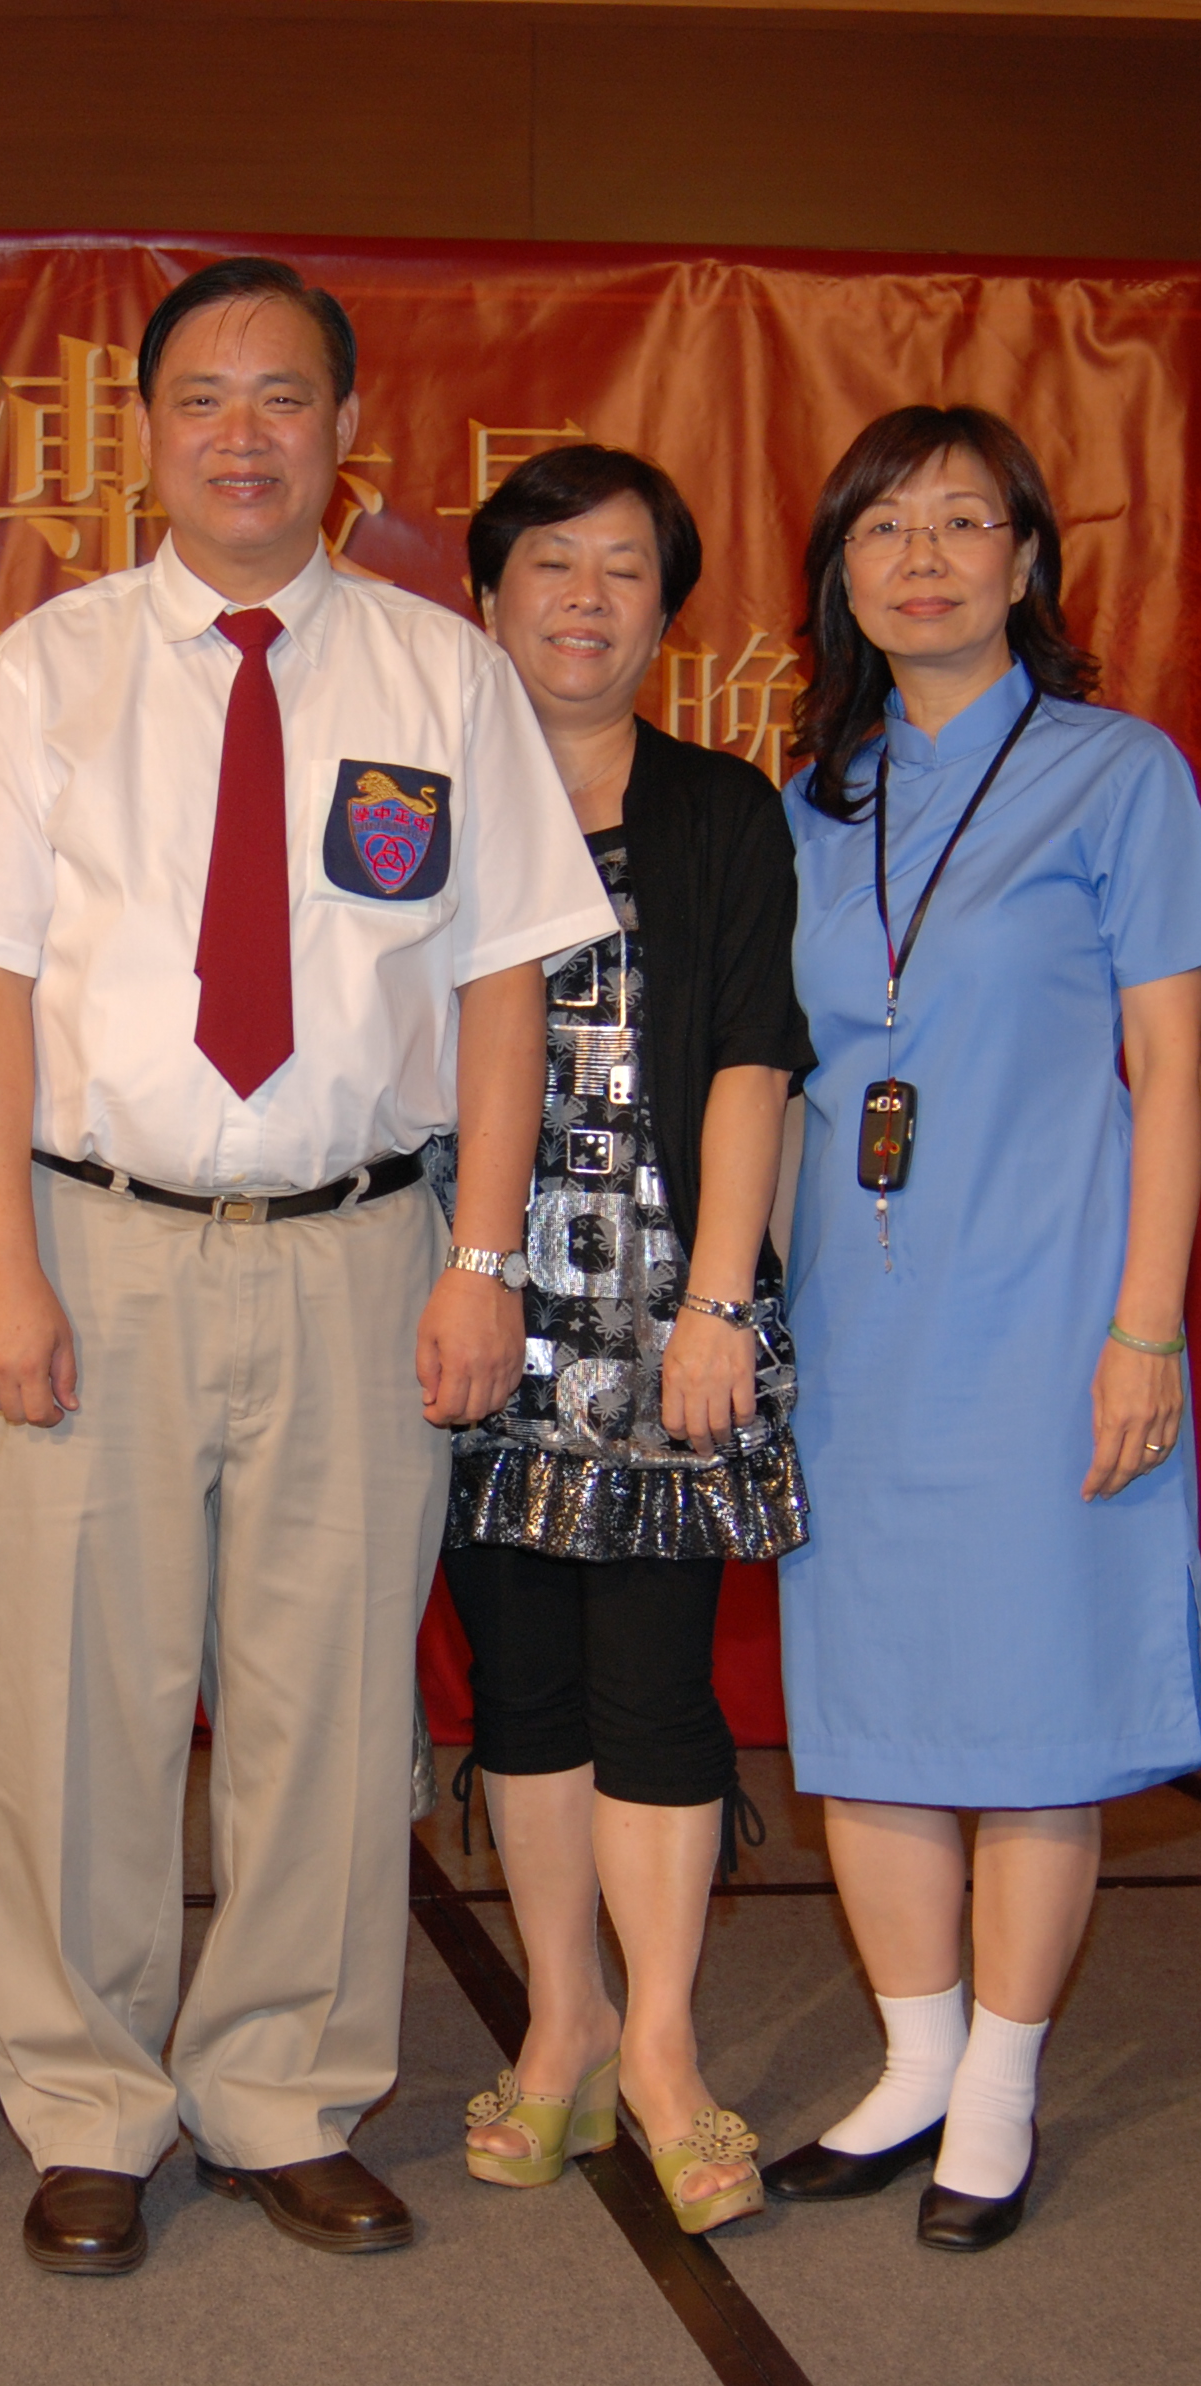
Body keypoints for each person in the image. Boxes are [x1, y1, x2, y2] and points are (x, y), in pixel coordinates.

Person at [0, 257, 615, 2277]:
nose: (242, 435)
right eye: (202, 398)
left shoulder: (437, 675)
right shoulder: (44, 672)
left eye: (282, 397)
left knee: (330, 1703)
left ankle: (286, 2092)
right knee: (76, 1709)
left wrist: (483, 1257)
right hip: (95, 1249)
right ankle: (91, 2107)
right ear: (143, 432)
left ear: (343, 432)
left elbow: (501, 987)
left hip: (359, 1255)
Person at [755, 405, 1201, 2252]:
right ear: (843, 572)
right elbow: (782, 1079)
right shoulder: (817, 803)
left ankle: (1004, 2085)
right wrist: (755, 1317)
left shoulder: (1119, 773)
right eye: (885, 527)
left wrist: (1149, 1331)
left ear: (1028, 562)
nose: (926, 559)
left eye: (966, 523)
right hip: (857, 1323)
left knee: (1034, 1709)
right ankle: (912, 2060)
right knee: (873, 1709)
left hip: (1052, 1311)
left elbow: (1172, 1073)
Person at [436, 446, 812, 2238]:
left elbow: (752, 1053)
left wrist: (719, 1302)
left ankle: (661, 2046)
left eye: (626, 571)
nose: (585, 600)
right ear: (485, 598)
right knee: (521, 1688)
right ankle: (560, 2022)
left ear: (667, 614)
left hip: (662, 1312)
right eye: (551, 565)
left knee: (657, 1685)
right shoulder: (415, 805)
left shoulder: (721, 808)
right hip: (472, 1308)